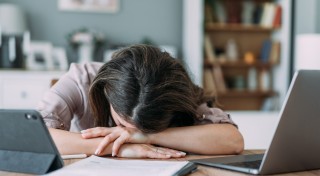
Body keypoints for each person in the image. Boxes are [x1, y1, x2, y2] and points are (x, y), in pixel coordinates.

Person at [37, 44, 244, 159]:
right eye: (122, 125)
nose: (129, 132)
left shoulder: (172, 92)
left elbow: (232, 140)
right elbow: (36, 137)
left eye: (144, 128)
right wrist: (122, 147)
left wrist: (142, 136)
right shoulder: (82, 78)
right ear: (106, 94)